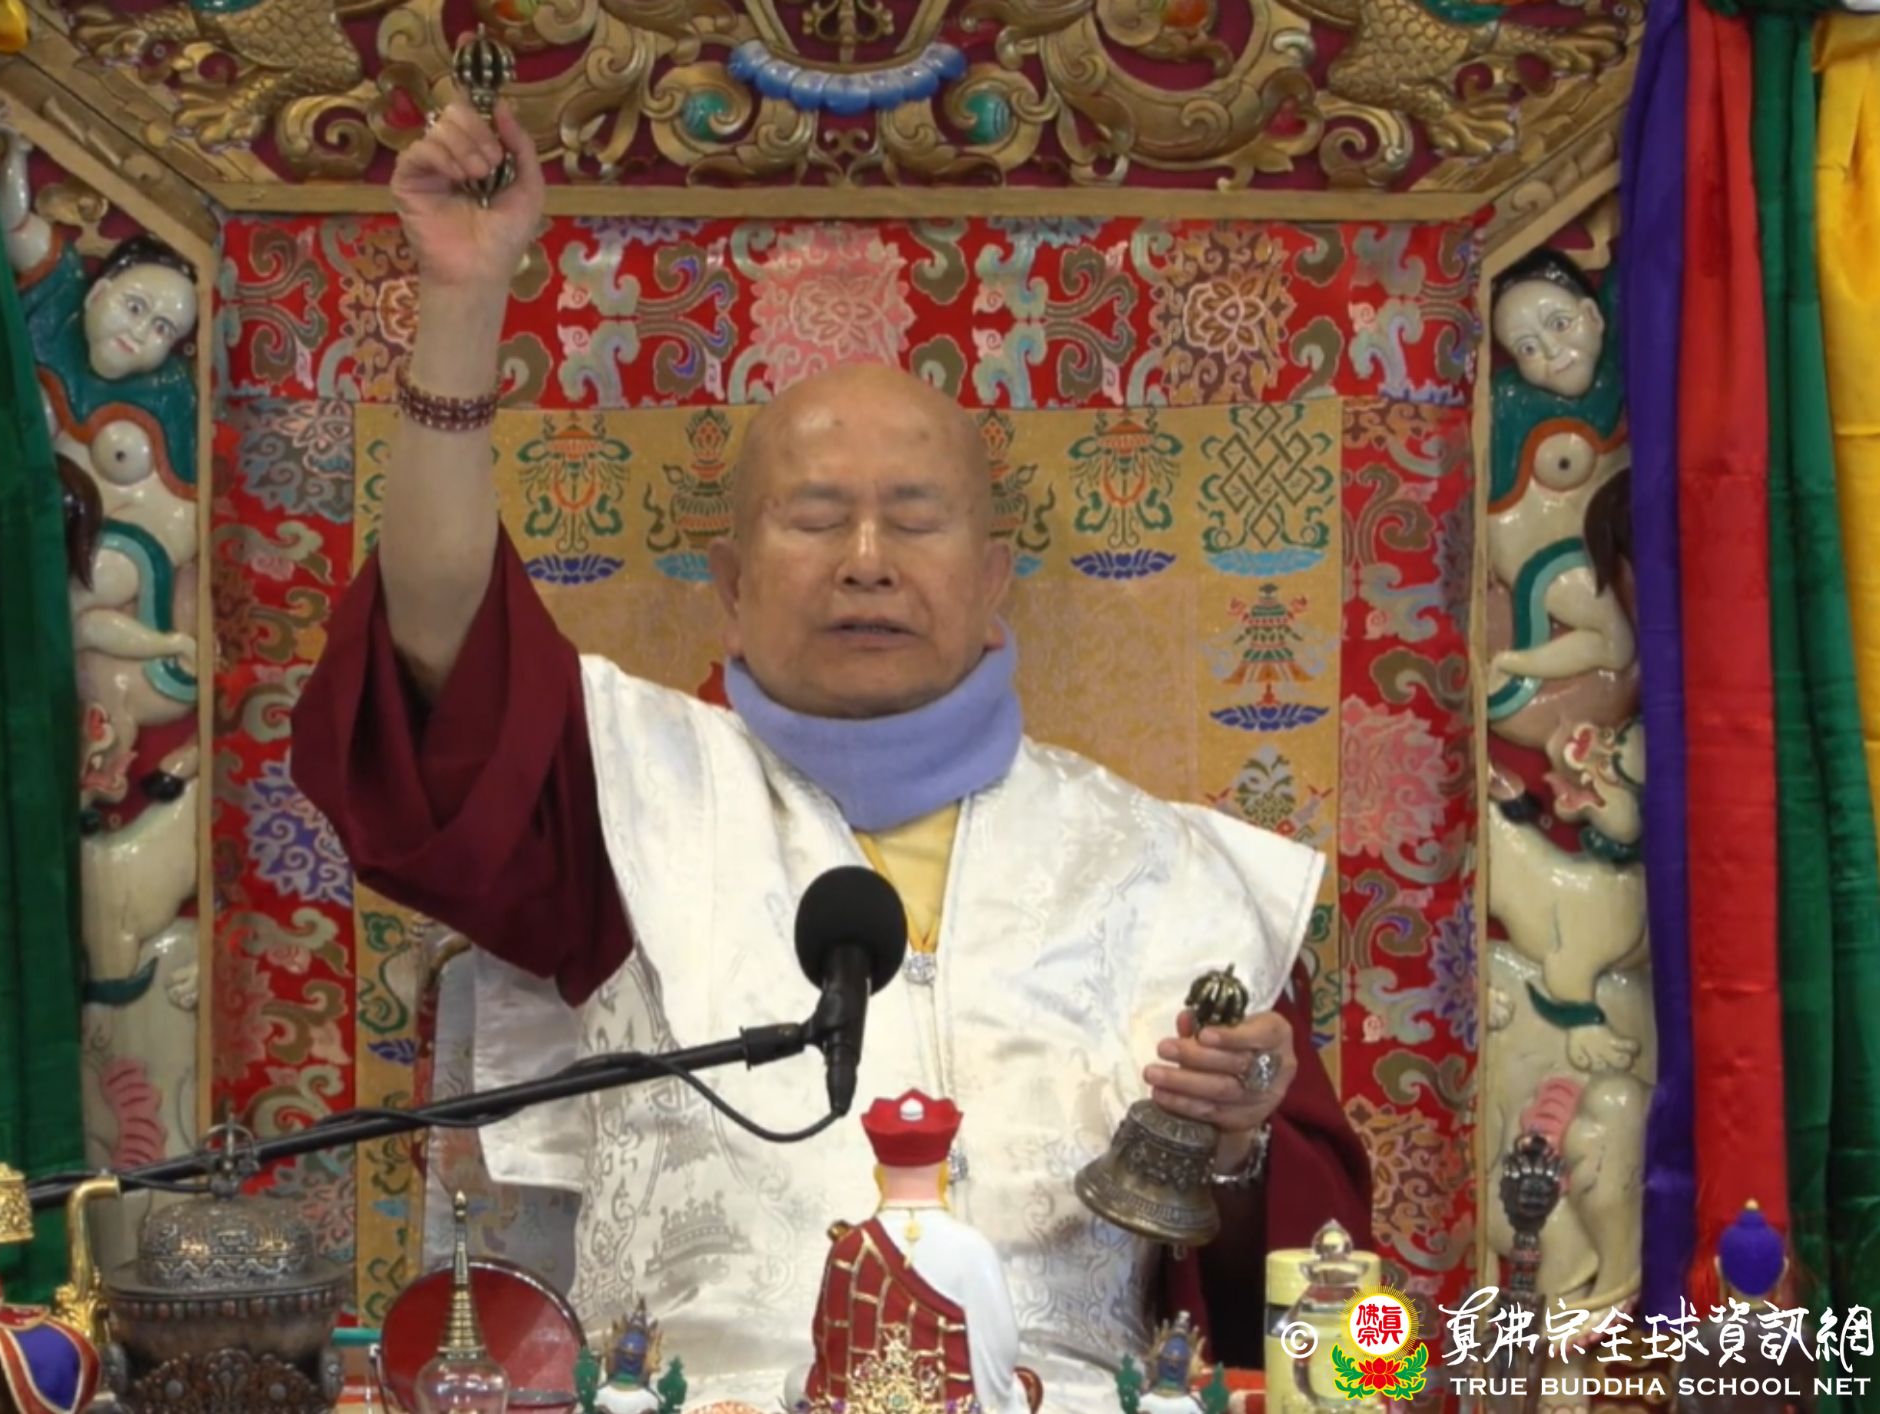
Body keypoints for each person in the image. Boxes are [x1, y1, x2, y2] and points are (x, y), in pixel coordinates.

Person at [290, 93, 1373, 1411]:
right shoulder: (621, 791)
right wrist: (463, 304)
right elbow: (434, 655)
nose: (865, 560)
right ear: (731, 585)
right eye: (815, 519)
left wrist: (1242, 1144)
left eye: (912, 519)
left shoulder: (1179, 878)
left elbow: (1318, 1315)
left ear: (994, 582)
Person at [799, 1091, 1035, 1414]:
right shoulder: (972, 1249)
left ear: (878, 1175)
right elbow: (1000, 1352)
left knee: (796, 1381)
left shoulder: (849, 1248)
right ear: (944, 1173)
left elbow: (826, 1347)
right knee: (1026, 1384)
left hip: (859, 1407)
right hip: (948, 1407)